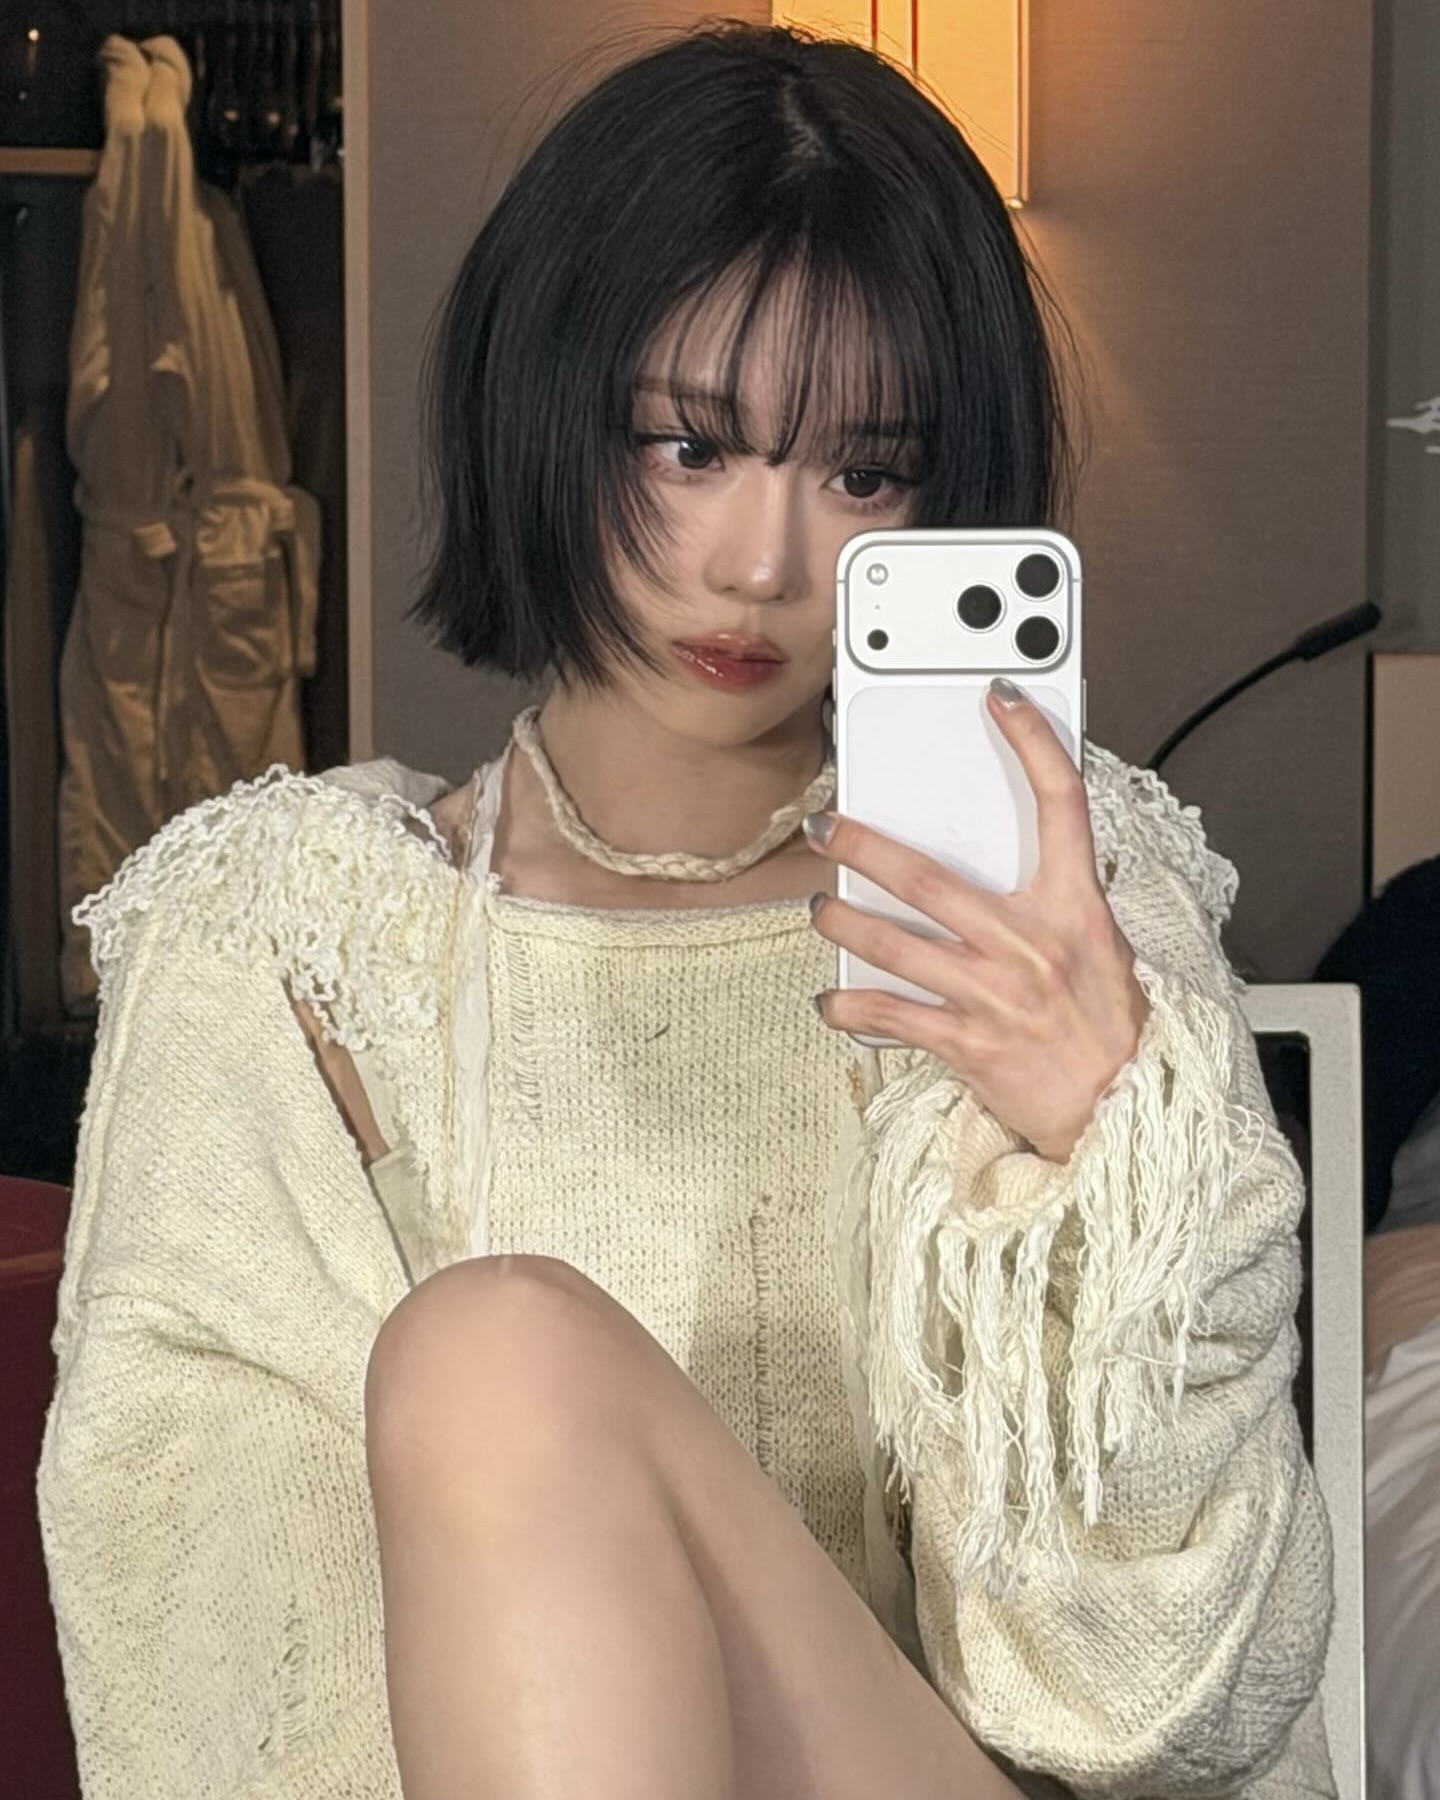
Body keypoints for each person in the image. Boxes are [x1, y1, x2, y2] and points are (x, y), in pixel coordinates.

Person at [37, 21, 1335, 1800]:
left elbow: (1165, 1710)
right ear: (547, 403)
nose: (761, 565)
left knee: (496, 1357)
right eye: (688, 445)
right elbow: (204, 1645)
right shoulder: (289, 944)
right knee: (496, 1365)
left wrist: (1106, 1163)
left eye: (864, 473)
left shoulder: (1050, 906)